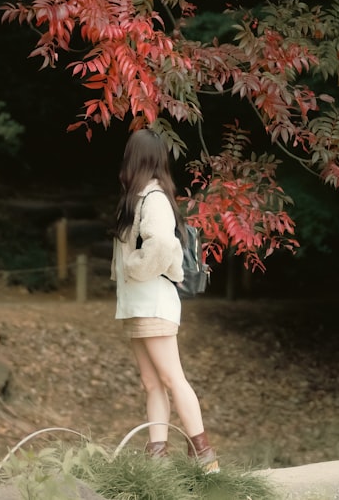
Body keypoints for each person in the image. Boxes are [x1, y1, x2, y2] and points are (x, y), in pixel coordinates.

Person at [110, 128, 219, 472]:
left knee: (172, 378)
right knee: (152, 382)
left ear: (136, 157)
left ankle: (205, 457)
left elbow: (160, 244)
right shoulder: (140, 197)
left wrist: (134, 266)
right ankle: (157, 460)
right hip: (138, 303)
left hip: (152, 301)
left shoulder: (153, 199)